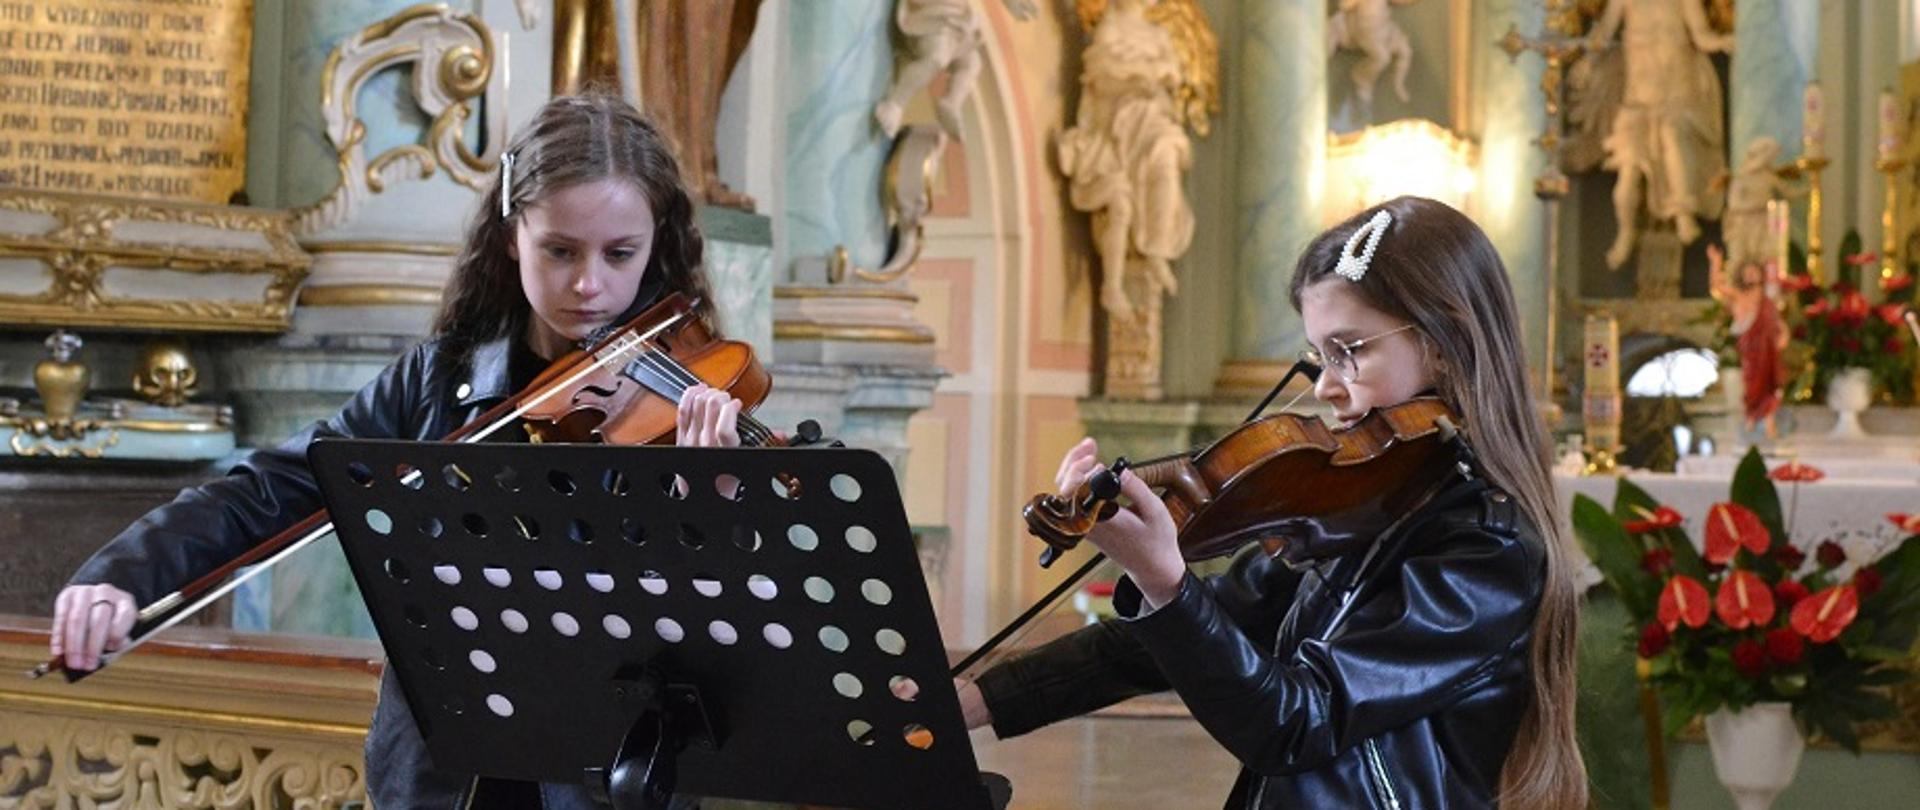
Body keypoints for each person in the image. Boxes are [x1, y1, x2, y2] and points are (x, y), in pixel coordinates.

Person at [48, 94, 747, 810]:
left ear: (657, 244)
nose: (588, 283)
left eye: (620, 254)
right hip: (440, 779)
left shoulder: (683, 396)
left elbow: (720, 648)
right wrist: (125, 576)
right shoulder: (437, 381)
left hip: (603, 780)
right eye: (560, 250)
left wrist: (706, 517)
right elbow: (269, 491)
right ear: (513, 236)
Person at [958, 197, 1589, 809]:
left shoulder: (1486, 545)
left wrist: (1164, 579)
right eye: (1321, 355)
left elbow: (1296, 724)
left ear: (1445, 342)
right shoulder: (1366, 504)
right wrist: (973, 699)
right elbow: (1153, 646)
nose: (1325, 387)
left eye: (1352, 351)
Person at [1709, 244, 1787, 438]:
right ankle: (1752, 418)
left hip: (1767, 348)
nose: (1751, 276)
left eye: (1754, 272)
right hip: (1751, 348)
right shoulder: (1739, 295)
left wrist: (1783, 336)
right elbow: (1717, 287)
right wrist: (1716, 263)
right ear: (1742, 276)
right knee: (1752, 385)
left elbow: (1778, 323)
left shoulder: (1767, 298)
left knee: (1771, 387)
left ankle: (1768, 422)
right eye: (1747, 273)